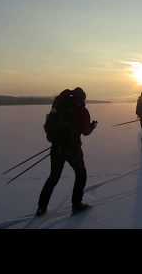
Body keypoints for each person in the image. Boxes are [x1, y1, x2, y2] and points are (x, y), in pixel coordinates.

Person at [36, 87, 98, 217]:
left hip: (56, 148)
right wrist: (92, 126)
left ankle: (41, 207)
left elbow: (49, 125)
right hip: (73, 149)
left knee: (53, 177)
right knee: (81, 174)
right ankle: (77, 204)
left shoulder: (59, 106)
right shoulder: (81, 110)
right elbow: (86, 131)